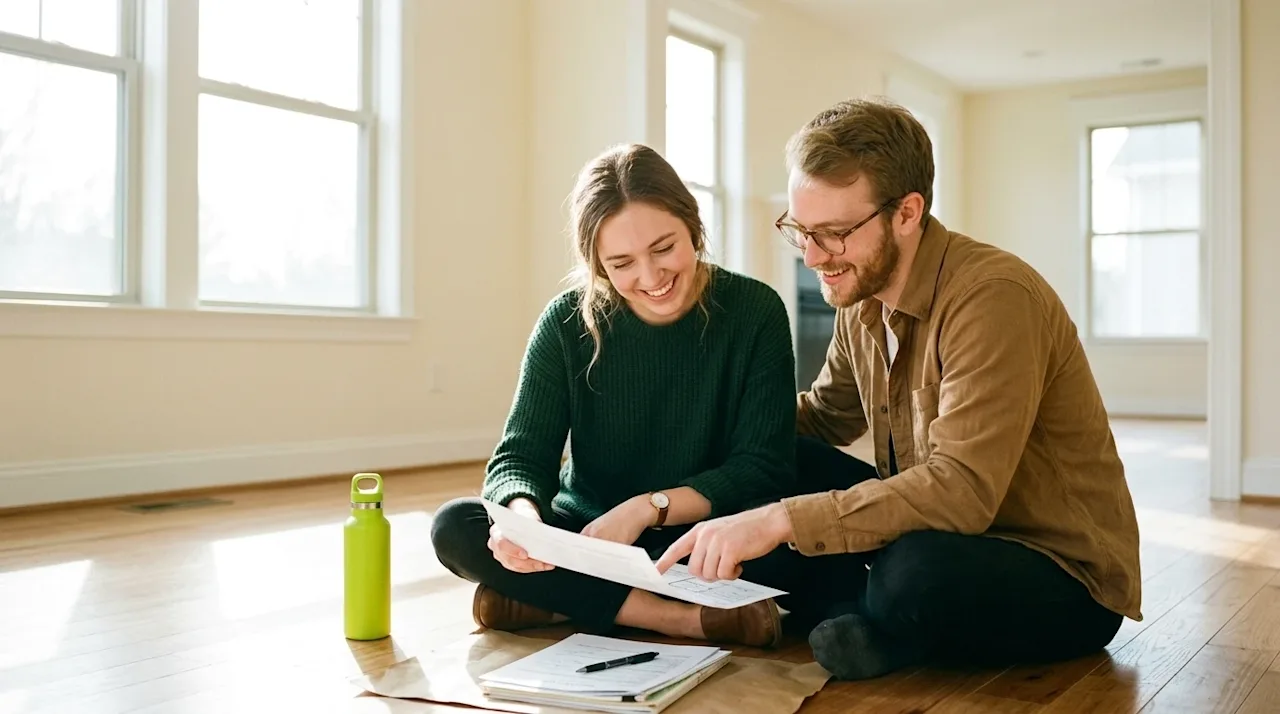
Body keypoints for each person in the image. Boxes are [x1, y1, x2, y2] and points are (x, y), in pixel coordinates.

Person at [655, 97, 1144, 680]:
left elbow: (961, 489)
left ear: (907, 213)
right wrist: (702, 431)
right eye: (800, 231)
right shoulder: (860, 295)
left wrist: (777, 522)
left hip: (1059, 574)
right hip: (944, 533)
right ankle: (864, 623)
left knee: (913, 573)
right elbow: (826, 416)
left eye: (833, 234)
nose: (813, 257)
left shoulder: (992, 297)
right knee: (779, 461)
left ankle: (860, 616)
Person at [430, 143, 805, 649]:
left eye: (665, 248)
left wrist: (647, 508)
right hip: (584, 536)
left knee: (793, 552)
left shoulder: (756, 310)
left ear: (692, 225)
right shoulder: (565, 322)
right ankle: (677, 619)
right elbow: (520, 457)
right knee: (456, 526)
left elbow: (762, 466)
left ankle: (548, 601)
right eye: (622, 263)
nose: (651, 278)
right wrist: (522, 523)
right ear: (598, 265)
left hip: (691, 531)